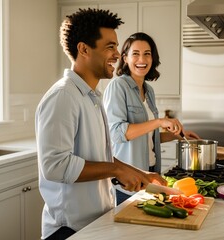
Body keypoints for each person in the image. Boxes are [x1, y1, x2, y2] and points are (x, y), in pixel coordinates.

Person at [35, 10, 167, 240]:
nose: (117, 55)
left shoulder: (92, 97)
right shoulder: (63, 96)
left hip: (96, 222)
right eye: (110, 47)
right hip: (68, 230)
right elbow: (55, 166)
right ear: (84, 49)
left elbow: (97, 155)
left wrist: (136, 172)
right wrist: (117, 170)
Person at [103, 32, 200, 204]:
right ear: (125, 58)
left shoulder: (149, 91)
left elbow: (147, 137)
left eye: (147, 54)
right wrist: (159, 121)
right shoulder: (118, 87)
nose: (142, 59)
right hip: (129, 181)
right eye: (136, 54)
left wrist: (176, 135)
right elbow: (116, 133)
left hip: (150, 175)